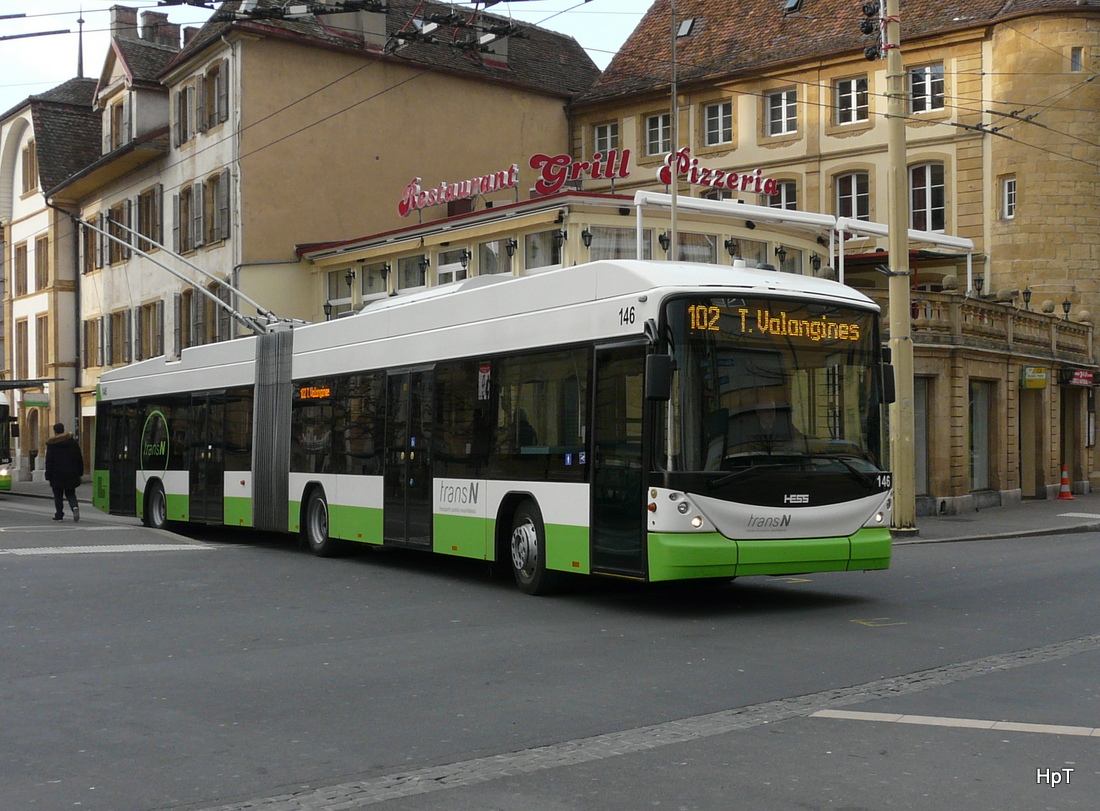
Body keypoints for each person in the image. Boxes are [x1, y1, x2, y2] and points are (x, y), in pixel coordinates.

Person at [45, 422, 84, 522]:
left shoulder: (52, 444)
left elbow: (49, 461)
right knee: (70, 493)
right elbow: (79, 458)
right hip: (71, 473)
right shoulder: (73, 443)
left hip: (56, 474)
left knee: (58, 496)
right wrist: (80, 472)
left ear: (55, 431)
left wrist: (48, 474)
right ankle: (74, 506)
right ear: (63, 430)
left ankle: (59, 515)